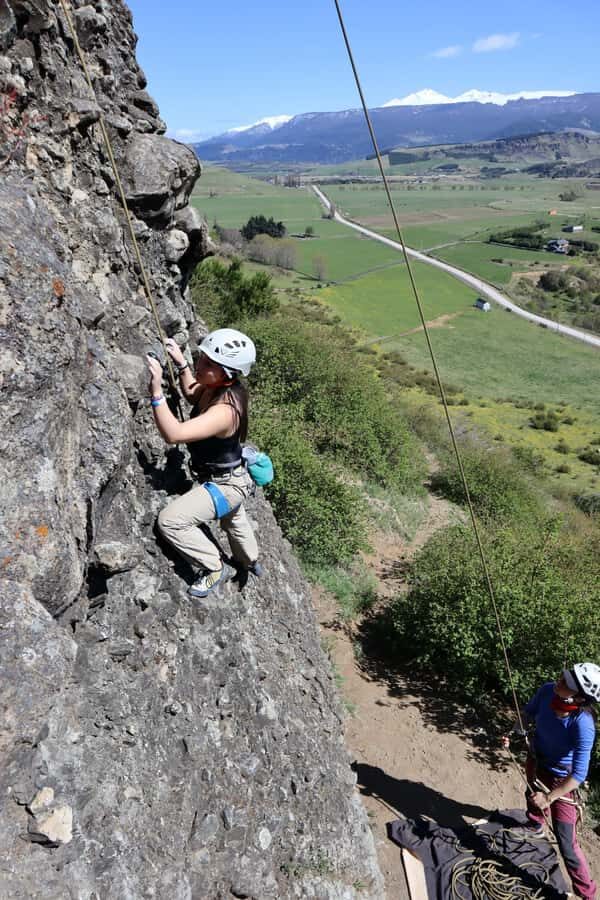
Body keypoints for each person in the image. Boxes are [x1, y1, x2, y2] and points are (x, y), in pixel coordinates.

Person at [146, 328, 261, 598]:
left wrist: (156, 391)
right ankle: (251, 561)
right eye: (202, 358)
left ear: (227, 373)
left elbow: (173, 434)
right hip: (231, 478)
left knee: (171, 522)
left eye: (208, 364)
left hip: (225, 485)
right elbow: (192, 394)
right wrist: (182, 364)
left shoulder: (225, 410)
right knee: (234, 522)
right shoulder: (218, 387)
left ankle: (212, 566)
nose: (201, 364)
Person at [505, 663, 599, 899]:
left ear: (579, 696)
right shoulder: (548, 690)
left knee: (567, 842)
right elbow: (528, 713)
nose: (559, 680)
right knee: (530, 791)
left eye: (566, 682)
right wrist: (516, 729)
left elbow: (578, 775)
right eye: (562, 676)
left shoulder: (583, 724)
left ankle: (588, 894)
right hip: (537, 759)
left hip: (561, 778)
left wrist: (549, 797)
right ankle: (535, 824)